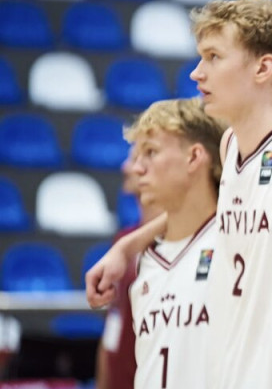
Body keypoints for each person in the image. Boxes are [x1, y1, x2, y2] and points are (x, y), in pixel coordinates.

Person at [86, 0, 272, 388]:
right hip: (229, 369)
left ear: (263, 67)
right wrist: (126, 248)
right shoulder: (230, 147)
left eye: (213, 57)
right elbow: (212, 213)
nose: (197, 73)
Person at [125, 98, 226, 388]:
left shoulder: (236, 240)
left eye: (151, 153)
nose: (137, 168)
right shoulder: (145, 261)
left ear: (194, 157)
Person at [95, 148, 162, 389]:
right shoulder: (123, 242)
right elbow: (112, 328)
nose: (126, 167)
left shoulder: (174, 244)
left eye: (135, 159)